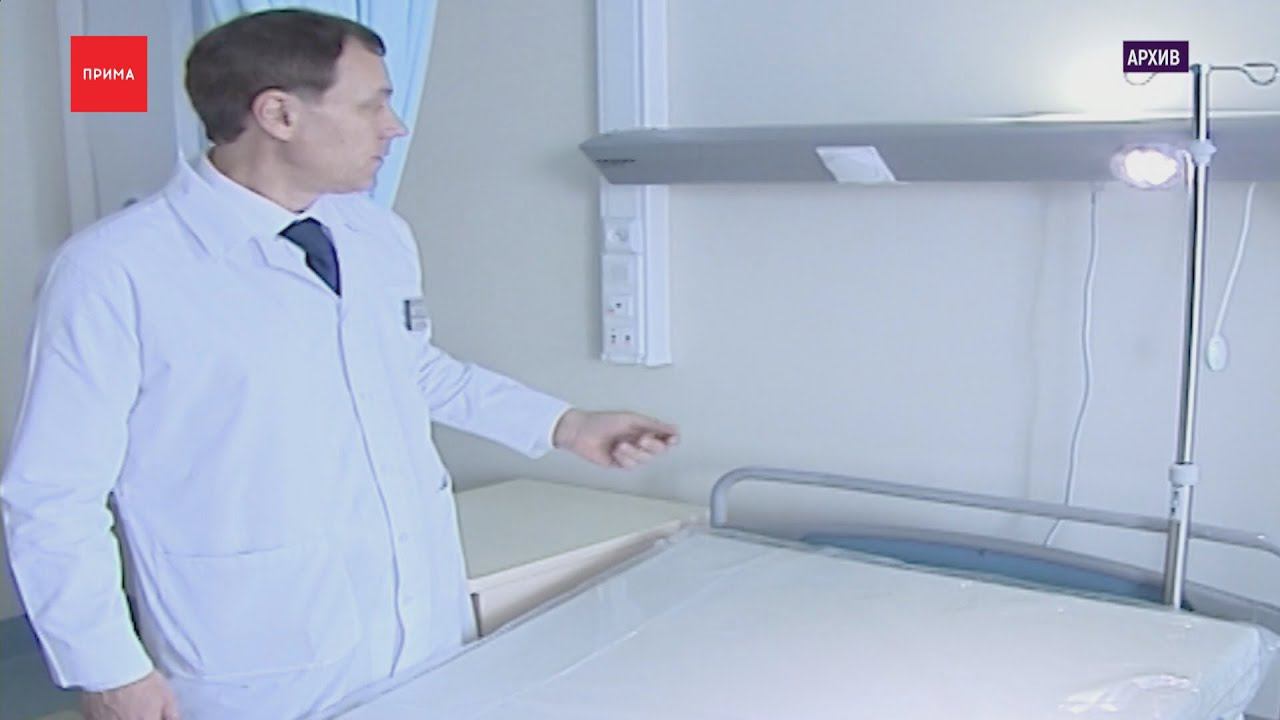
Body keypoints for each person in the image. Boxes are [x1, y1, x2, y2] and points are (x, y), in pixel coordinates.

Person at [0, 9, 677, 720]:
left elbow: (411, 370)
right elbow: (53, 494)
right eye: (371, 104)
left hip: (416, 624)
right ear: (279, 115)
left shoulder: (373, 234)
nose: (395, 126)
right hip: (251, 652)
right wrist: (108, 667)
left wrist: (566, 426)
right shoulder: (115, 271)